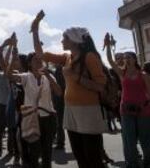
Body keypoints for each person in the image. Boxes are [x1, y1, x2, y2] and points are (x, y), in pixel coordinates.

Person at [31, 10, 107, 168]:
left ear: (75, 40)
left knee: (92, 157)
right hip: (70, 110)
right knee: (80, 155)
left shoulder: (90, 57)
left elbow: (100, 86)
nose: (62, 40)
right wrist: (36, 28)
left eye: (65, 37)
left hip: (88, 110)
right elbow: (40, 54)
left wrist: (75, 75)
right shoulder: (67, 57)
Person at [9, 53, 62, 168]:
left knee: (47, 154)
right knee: (34, 152)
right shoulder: (26, 77)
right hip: (33, 119)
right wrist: (9, 54)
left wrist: (48, 76)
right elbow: (9, 75)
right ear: (29, 64)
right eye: (35, 60)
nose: (39, 62)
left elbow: (59, 92)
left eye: (40, 59)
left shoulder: (48, 76)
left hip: (49, 119)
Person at [106, 35, 150, 168]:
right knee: (128, 140)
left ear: (135, 59)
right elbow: (110, 61)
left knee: (145, 139)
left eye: (128, 57)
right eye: (124, 58)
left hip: (143, 110)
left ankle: (148, 162)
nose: (126, 60)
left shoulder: (144, 75)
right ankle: (132, 163)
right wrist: (108, 46)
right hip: (126, 110)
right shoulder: (122, 73)